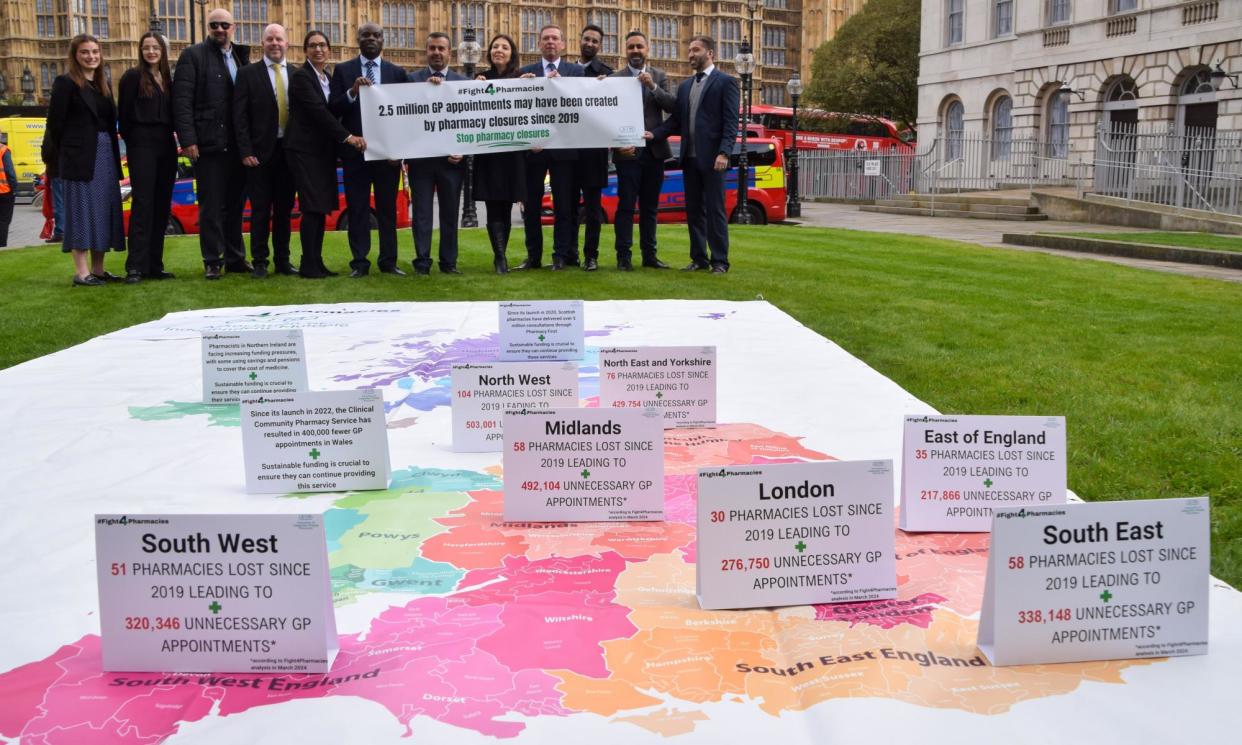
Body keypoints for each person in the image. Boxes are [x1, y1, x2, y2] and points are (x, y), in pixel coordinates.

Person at [647, 35, 738, 273]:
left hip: (713, 159)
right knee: (694, 210)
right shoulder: (686, 86)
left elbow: (731, 122)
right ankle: (699, 258)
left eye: (695, 50)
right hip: (689, 158)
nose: (690, 55)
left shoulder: (725, 82)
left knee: (715, 210)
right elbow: (676, 122)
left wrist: (724, 152)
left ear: (710, 54)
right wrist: (654, 135)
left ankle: (719, 260)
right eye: (689, 51)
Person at [172, 7, 251, 279]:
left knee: (235, 205)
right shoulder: (192, 56)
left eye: (224, 25)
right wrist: (189, 140)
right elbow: (181, 102)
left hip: (236, 146)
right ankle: (212, 260)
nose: (219, 29)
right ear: (208, 27)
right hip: (207, 145)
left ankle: (235, 257)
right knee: (211, 206)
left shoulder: (241, 57)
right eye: (214, 25)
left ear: (233, 27)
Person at [43, 34, 126, 286]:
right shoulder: (65, 83)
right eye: (85, 52)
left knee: (103, 212)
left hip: (105, 157)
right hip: (79, 158)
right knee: (80, 213)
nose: (91, 56)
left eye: (95, 52)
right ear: (75, 56)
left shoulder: (103, 84)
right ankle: (81, 272)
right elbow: (54, 126)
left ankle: (98, 270)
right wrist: (61, 160)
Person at [285, 30, 367, 278]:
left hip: (320, 151)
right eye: (312, 46)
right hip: (304, 149)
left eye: (322, 45)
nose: (318, 49)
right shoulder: (301, 78)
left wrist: (352, 91)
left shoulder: (325, 77)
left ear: (328, 49)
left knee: (319, 207)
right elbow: (320, 113)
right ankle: (309, 264)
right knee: (312, 206)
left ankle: (316, 261)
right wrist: (348, 137)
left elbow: (333, 107)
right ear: (305, 50)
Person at [330, 22, 408, 277]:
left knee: (387, 210)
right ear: (358, 39)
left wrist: (400, 151)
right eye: (366, 35)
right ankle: (360, 263)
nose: (371, 39)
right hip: (356, 154)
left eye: (376, 35)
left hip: (387, 155)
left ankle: (388, 261)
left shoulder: (396, 73)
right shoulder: (343, 71)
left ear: (383, 40)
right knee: (358, 209)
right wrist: (352, 92)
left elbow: (407, 115)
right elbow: (333, 110)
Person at [233, 24, 297, 278]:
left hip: (289, 152)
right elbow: (239, 116)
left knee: (284, 210)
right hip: (259, 153)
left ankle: (283, 260)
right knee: (260, 210)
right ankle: (260, 261)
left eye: (279, 39)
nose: (275, 43)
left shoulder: (296, 73)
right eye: (270, 39)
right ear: (263, 44)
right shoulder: (248, 74)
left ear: (286, 43)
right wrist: (245, 150)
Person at [517, 25, 583, 270]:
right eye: (546, 39)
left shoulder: (576, 73)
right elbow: (516, 112)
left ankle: (560, 255)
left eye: (555, 38)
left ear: (563, 44)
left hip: (565, 150)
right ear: (539, 44)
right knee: (532, 207)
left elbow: (587, 104)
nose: (550, 42)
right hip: (535, 150)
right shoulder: (525, 73)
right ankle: (533, 257)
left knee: (564, 206)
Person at [609, 31, 675, 270]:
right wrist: (615, 143)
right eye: (631, 47)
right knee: (626, 206)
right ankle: (623, 257)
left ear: (647, 49)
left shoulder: (659, 75)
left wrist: (653, 86)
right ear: (625, 51)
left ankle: (649, 255)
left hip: (654, 152)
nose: (635, 51)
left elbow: (671, 106)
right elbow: (607, 117)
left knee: (650, 208)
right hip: (627, 153)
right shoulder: (615, 78)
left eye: (639, 46)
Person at [118, 31, 177, 282]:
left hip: (166, 144)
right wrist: (136, 144)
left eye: (156, 47)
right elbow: (124, 117)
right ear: (141, 51)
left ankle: (154, 264)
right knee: (143, 204)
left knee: (161, 206)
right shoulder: (133, 77)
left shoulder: (167, 79)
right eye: (146, 47)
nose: (151, 51)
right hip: (142, 144)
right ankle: (135, 266)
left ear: (163, 51)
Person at [406, 32, 466, 275]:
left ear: (449, 53)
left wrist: (463, 149)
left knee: (450, 213)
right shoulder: (411, 81)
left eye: (441, 48)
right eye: (432, 48)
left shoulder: (462, 83)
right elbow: (405, 120)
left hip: (451, 162)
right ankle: (422, 261)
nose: (437, 52)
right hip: (421, 161)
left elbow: (469, 122)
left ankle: (448, 262)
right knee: (421, 214)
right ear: (426, 51)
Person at [472, 34, 524, 274]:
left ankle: (501, 255)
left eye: (504, 47)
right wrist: (475, 87)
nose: (499, 50)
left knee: (506, 206)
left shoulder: (521, 79)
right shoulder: (481, 78)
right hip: (490, 153)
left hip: (512, 153)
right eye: (495, 47)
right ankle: (500, 258)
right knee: (493, 205)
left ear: (511, 52)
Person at [575, 24, 613, 272]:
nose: (590, 44)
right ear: (580, 40)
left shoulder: (608, 75)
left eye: (595, 41)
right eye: (587, 39)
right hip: (567, 152)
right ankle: (567, 254)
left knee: (592, 209)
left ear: (600, 45)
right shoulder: (566, 71)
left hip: (593, 153)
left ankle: (591, 256)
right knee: (566, 208)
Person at [0, 134, 15, 247]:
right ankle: (2, 245)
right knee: (4, 220)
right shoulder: (3, 150)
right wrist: (14, 188)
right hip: (4, 191)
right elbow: (9, 172)